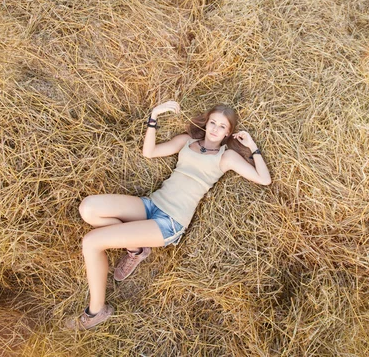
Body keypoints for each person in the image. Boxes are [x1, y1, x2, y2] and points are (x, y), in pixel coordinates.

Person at [65, 101, 271, 330]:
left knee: (92, 242)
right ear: (206, 122)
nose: (215, 129)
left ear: (228, 132)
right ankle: (136, 250)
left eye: (222, 126)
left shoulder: (226, 157)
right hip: (151, 204)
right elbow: (149, 152)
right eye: (213, 122)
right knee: (88, 208)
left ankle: (96, 312)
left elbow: (264, 179)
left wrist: (253, 147)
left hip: (169, 222)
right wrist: (153, 116)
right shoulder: (187, 141)